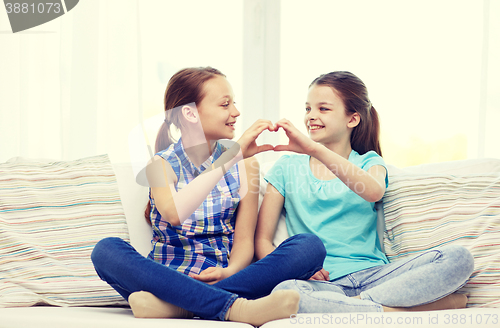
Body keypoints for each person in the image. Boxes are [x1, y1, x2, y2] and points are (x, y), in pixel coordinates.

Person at [91, 67, 325, 326]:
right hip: (166, 278)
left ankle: (179, 306)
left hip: (224, 276)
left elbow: (244, 239)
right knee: (106, 250)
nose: (235, 112)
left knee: (310, 248)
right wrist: (229, 158)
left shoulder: (247, 166)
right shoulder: (160, 164)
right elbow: (174, 214)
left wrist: (229, 271)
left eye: (233, 103)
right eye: (225, 104)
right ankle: (237, 308)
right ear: (189, 113)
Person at [255, 71, 475, 313]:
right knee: (285, 292)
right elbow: (263, 241)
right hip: (322, 284)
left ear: (353, 119)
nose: (311, 116)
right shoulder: (286, 168)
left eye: (323, 109)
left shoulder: (370, 162)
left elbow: (373, 192)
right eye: (308, 109)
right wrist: (296, 269)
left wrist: (316, 150)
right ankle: (393, 310)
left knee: (458, 258)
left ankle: (355, 307)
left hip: (376, 276)